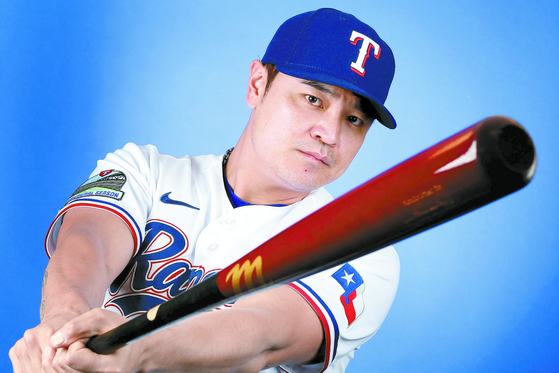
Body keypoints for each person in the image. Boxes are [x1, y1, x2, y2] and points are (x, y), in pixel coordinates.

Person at [10, 8, 400, 373]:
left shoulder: (363, 250)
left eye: (353, 120)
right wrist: (65, 327)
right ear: (257, 85)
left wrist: (137, 348)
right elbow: (87, 241)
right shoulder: (145, 170)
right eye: (313, 99)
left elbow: (265, 335)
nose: (329, 134)